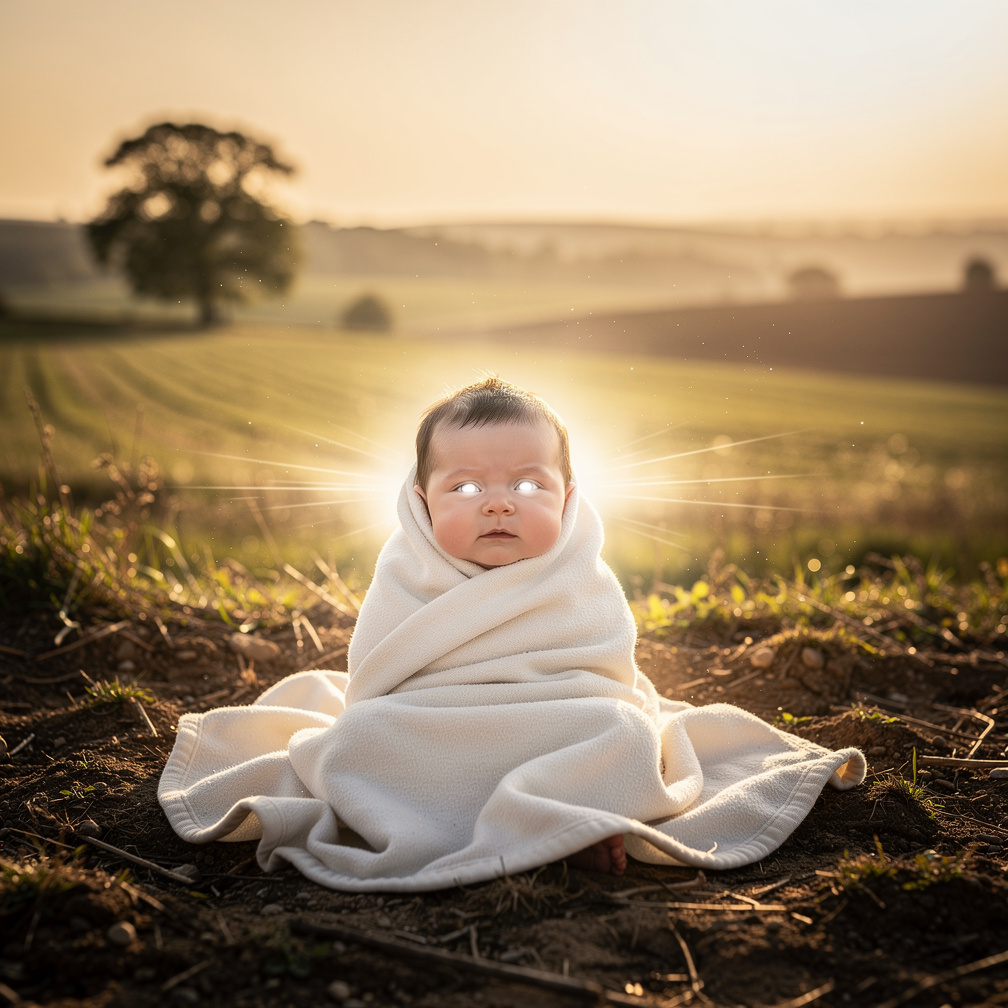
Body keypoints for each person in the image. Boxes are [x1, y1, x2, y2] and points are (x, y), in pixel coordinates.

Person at [409, 376, 627, 874]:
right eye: (465, 487)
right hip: (440, 729)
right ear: (423, 502)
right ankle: (461, 818)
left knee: (621, 726)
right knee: (360, 734)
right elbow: (379, 678)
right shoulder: (409, 576)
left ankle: (567, 816)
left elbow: (606, 677)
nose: (499, 503)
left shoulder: (580, 579)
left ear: (567, 498)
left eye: (529, 485)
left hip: (555, 723)